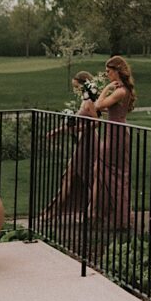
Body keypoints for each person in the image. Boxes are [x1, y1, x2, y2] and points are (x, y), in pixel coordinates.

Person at [43, 71, 100, 216]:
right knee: (77, 175)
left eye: (77, 87)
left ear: (84, 85)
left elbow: (96, 123)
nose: (76, 90)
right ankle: (57, 210)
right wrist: (59, 130)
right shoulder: (84, 100)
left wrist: (75, 128)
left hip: (89, 142)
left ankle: (55, 211)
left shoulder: (88, 102)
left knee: (79, 175)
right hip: (83, 140)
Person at [91, 55, 135, 229]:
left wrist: (106, 89)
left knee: (115, 174)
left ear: (117, 71)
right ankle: (103, 212)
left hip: (116, 132)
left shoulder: (120, 91)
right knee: (104, 170)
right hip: (114, 130)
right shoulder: (123, 90)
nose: (107, 74)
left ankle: (120, 217)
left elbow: (98, 106)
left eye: (109, 71)